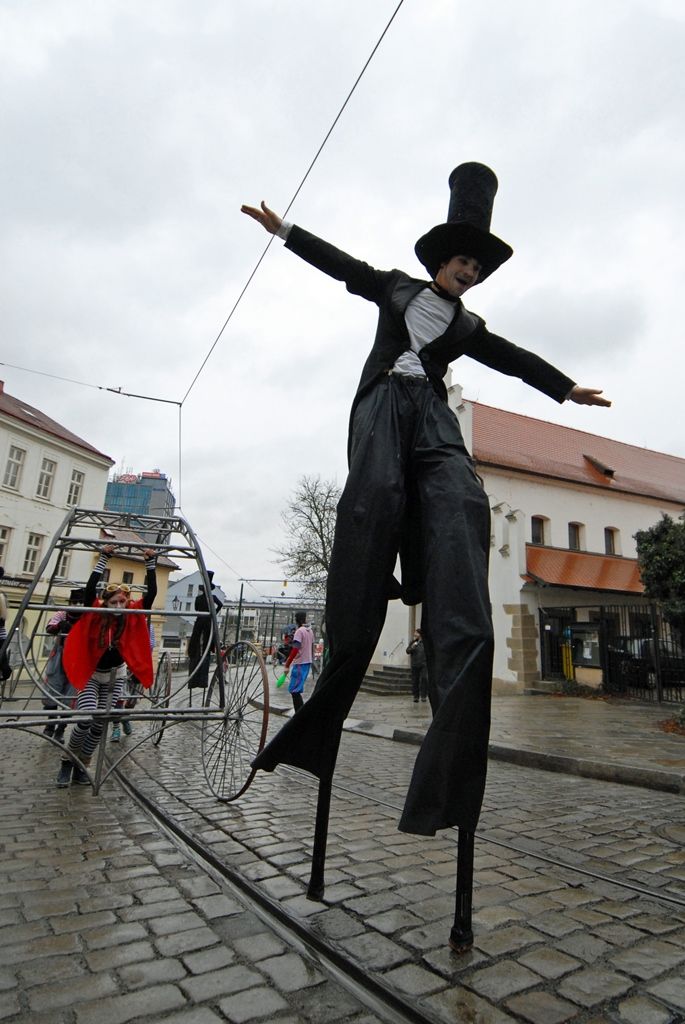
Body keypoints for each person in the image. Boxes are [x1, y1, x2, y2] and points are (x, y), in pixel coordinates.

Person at [241, 162, 610, 845]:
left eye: (477, 268)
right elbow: (342, 266)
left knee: (463, 498)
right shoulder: (395, 288)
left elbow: (514, 358)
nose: (470, 273)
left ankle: (442, 654)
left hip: (430, 415)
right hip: (383, 400)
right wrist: (283, 229)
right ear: (442, 260)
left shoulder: (467, 327)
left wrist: (565, 390)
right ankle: (375, 573)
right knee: (378, 491)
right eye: (464, 262)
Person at [56, 544, 157, 787]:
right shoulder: (95, 612)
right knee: (86, 718)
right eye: (114, 602)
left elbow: (151, 595)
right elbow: (91, 588)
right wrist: (104, 557)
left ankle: (83, 765)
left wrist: (151, 564)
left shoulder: (132, 614)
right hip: (92, 675)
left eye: (123, 601)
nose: (119, 606)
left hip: (115, 676)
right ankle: (67, 761)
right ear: (106, 602)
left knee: (100, 723)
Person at [42, 588, 84, 741]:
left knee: (71, 695)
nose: (77, 605)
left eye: (80, 602)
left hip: (78, 658)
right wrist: (60, 626)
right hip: (59, 656)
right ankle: (50, 724)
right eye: (74, 602)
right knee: (53, 688)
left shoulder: (88, 616)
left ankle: (61, 728)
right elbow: (49, 627)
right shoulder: (62, 614)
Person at [187, 572, 223, 689]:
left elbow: (196, 608)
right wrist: (213, 613)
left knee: (196, 646)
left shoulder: (198, 598)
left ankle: (195, 679)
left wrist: (210, 613)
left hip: (200, 622)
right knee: (206, 646)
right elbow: (220, 605)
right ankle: (202, 680)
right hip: (207, 622)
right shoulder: (213, 598)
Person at [280, 610, 315, 712]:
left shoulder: (299, 631)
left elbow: (295, 649)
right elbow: (311, 647)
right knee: (296, 690)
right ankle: (300, 714)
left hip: (300, 663)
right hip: (307, 662)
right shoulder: (310, 631)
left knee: (294, 690)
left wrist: (287, 664)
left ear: (297, 620)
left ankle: (299, 715)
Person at [406, 628, 428, 703]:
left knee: (424, 679)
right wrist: (412, 647)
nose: (414, 634)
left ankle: (423, 696)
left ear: (420, 634)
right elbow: (407, 651)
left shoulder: (425, 643)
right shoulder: (413, 642)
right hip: (415, 664)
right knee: (415, 680)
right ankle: (416, 696)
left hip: (424, 664)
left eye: (416, 633)